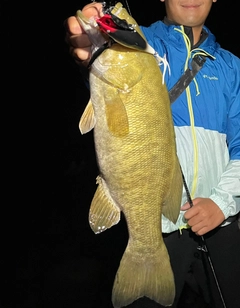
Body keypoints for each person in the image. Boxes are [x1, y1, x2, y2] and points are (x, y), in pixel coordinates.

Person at [64, 1, 240, 307]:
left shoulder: (233, 67)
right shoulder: (144, 44)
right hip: (157, 225)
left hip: (221, 225)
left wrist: (223, 203)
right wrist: (88, 46)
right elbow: (98, 56)